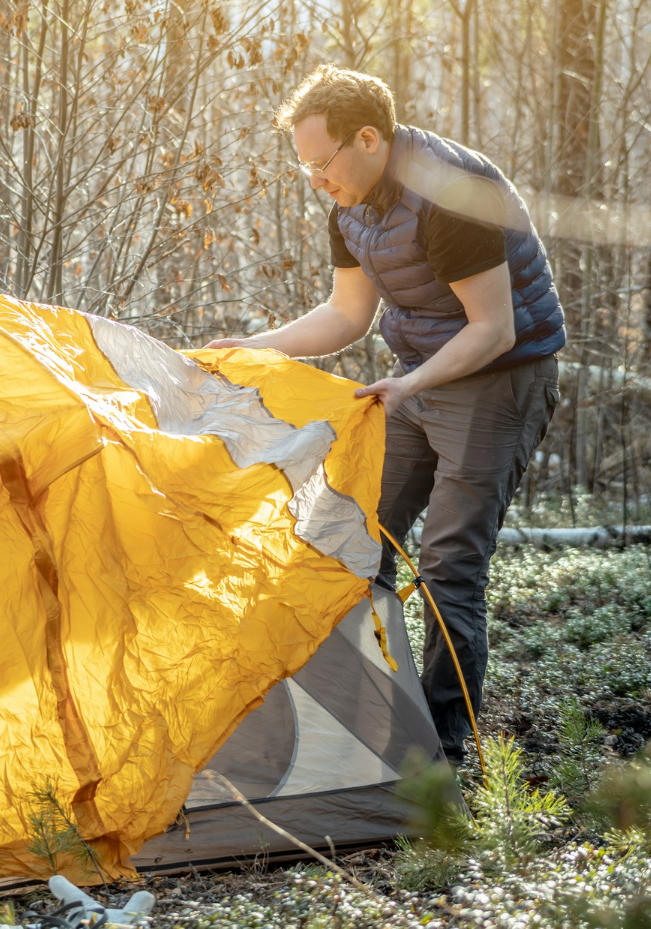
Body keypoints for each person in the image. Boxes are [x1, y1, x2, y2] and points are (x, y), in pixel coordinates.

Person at [207, 65, 565, 765]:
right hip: (421, 375)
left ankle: (442, 744)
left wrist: (410, 384)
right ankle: (366, 709)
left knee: (448, 561)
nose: (315, 180)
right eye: (304, 166)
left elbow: (493, 329)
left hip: (501, 379)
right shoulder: (353, 201)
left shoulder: (449, 194)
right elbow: (347, 314)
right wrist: (253, 344)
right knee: (355, 533)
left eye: (321, 163)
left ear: (367, 139)